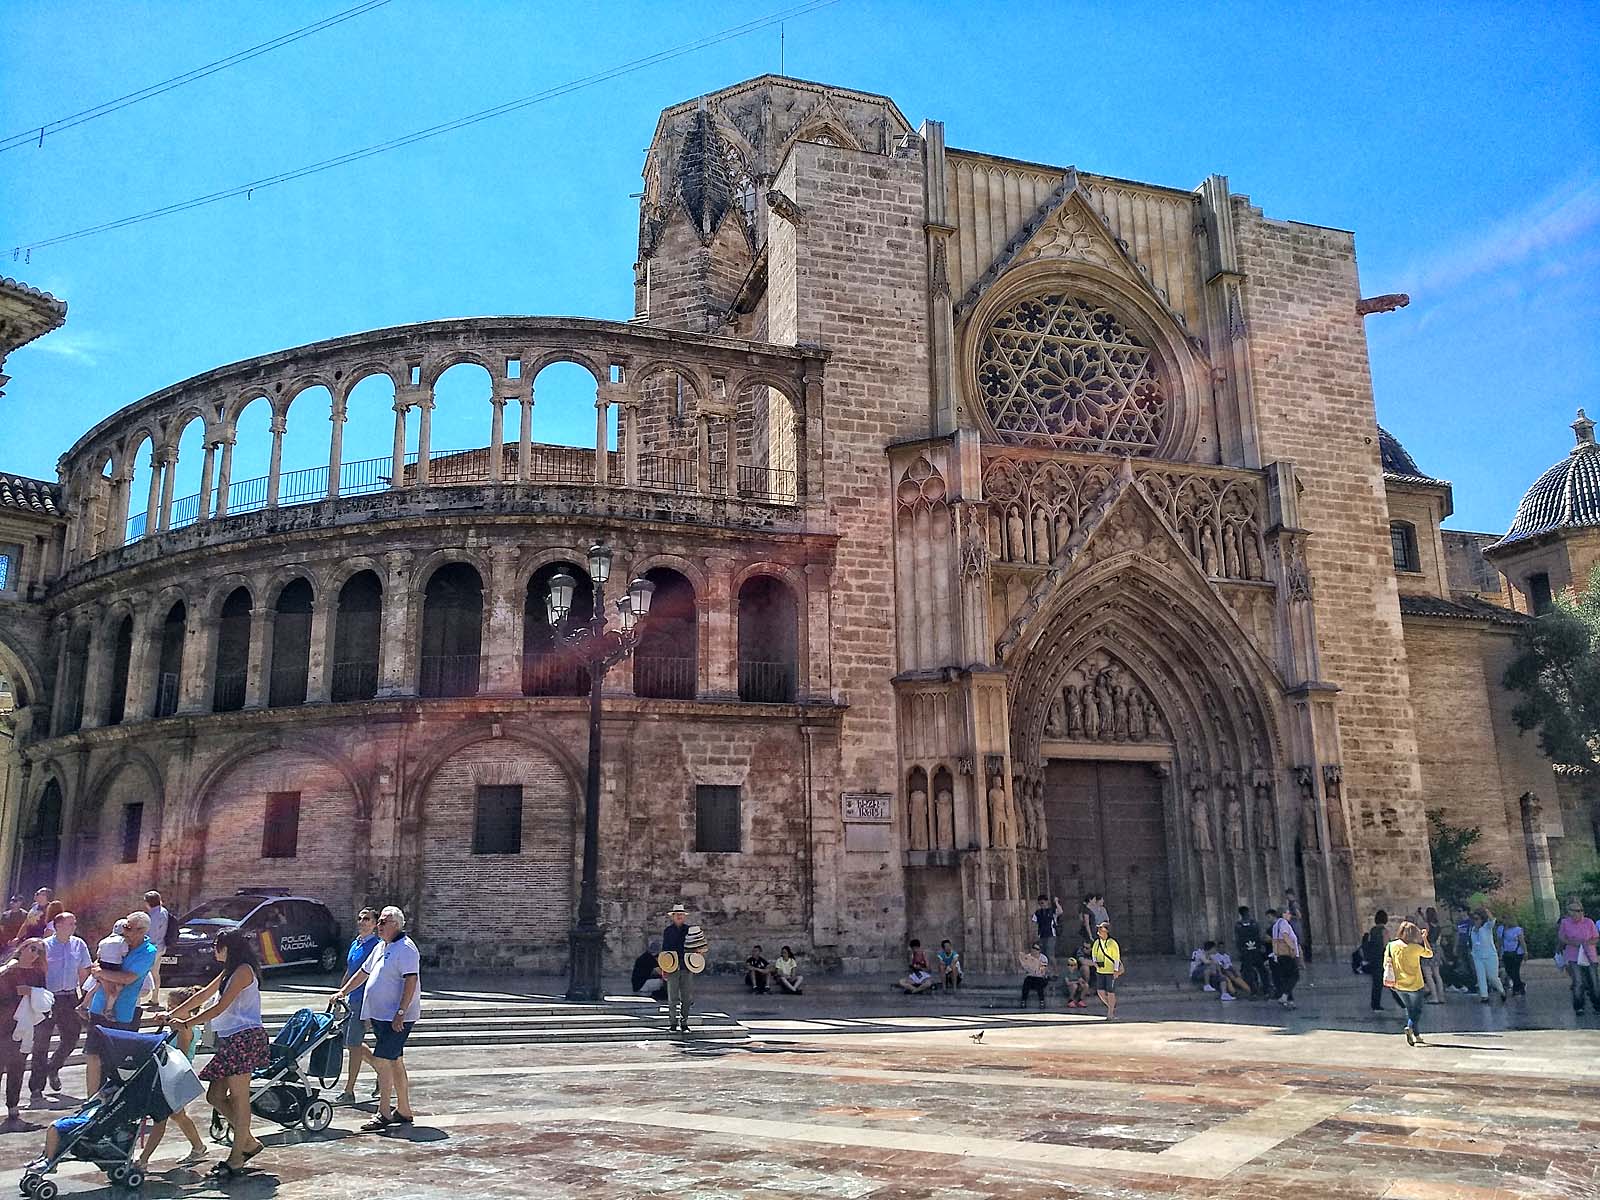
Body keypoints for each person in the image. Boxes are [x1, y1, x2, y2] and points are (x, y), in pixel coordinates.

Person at [168, 927, 267, 1178]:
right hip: (230, 1040)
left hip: (245, 1038)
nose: (214, 950)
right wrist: (172, 1014)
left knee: (239, 1097)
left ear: (229, 948)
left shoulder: (244, 971)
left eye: (217, 945)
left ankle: (236, 1157)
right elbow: (204, 994)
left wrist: (188, 1023)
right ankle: (249, 1142)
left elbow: (221, 1006)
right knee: (215, 1096)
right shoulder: (229, 971)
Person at [332, 905, 420, 1131]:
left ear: (396, 925)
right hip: (380, 1015)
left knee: (383, 1062)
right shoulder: (381, 946)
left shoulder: (407, 949)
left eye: (383, 922)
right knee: (395, 1062)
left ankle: (383, 1112)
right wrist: (344, 992)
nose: (378, 926)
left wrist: (401, 1012)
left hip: (396, 1017)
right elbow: (363, 972)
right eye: (379, 921)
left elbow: (410, 982)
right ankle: (404, 1109)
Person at [134, 986, 208, 1171]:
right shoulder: (177, 1025)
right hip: (169, 1076)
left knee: (161, 1118)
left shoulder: (186, 1028)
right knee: (178, 1116)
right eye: (169, 1006)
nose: (170, 1010)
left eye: (174, 1006)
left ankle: (143, 1160)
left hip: (175, 1077)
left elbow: (181, 1054)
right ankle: (198, 1146)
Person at [84, 910, 156, 1095]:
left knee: (117, 1060)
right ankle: (90, 1101)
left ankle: (112, 1100)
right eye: (124, 926)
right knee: (93, 1054)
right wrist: (98, 971)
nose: (125, 931)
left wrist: (100, 973)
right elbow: (96, 963)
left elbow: (128, 978)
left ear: (141, 931)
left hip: (123, 1012)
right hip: (99, 1006)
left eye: (129, 928)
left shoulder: (148, 951)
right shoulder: (117, 942)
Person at [27, 911, 90, 1103]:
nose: (74, 927)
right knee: (41, 1042)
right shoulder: (44, 946)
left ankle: (53, 1067)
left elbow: (83, 972)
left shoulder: (79, 944)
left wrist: (85, 999)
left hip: (70, 996)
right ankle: (36, 1087)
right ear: (58, 926)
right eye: (70, 924)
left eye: (74, 923)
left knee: (72, 1037)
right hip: (48, 997)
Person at [335, 908, 381, 1103]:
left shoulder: (376, 946)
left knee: (353, 1045)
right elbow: (351, 971)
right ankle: (382, 1070)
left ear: (375, 924)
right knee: (351, 1042)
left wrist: (371, 1009)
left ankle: (349, 1090)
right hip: (351, 999)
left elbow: (372, 976)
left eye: (367, 919)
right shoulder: (356, 943)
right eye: (360, 918)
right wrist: (340, 992)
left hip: (364, 1001)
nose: (362, 922)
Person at [0, 939, 46, 1132]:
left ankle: (13, 1109)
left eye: (39, 952)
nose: (35, 953)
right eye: (32, 948)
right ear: (23, 948)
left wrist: (31, 993)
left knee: (17, 1069)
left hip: (23, 1026)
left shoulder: (37, 973)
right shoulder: (8, 970)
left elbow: (44, 997)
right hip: (3, 1025)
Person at [1384, 920, 1434, 1047]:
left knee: (1410, 1009)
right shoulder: (1415, 948)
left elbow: (1385, 963)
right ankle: (1410, 1027)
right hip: (1415, 985)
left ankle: (1416, 1035)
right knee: (1416, 1010)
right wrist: (1425, 939)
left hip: (1398, 985)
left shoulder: (1391, 945)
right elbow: (1429, 954)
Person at [658, 904, 699, 1031]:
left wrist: (696, 962)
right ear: (673, 917)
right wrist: (664, 968)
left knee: (686, 997)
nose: (679, 916)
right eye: (677, 915)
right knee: (672, 997)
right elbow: (665, 950)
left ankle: (684, 1021)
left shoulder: (689, 930)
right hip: (672, 966)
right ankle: (673, 1022)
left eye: (681, 914)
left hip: (686, 966)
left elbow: (695, 948)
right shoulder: (668, 931)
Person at [1557, 896, 1600, 1015]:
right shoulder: (1565, 923)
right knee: (1578, 982)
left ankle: (1597, 1005)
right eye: (1575, 911)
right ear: (1569, 912)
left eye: (1580, 910)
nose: (1578, 913)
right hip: (1573, 956)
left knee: (1594, 981)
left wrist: (1587, 943)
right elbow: (1562, 937)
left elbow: (1596, 937)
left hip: (1590, 955)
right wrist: (1572, 943)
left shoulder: (1589, 922)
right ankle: (1579, 1006)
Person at [1468, 908, 1505, 1004]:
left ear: (1481, 919)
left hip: (1490, 955)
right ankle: (1484, 996)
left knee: (1492, 977)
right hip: (1477, 956)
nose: (1475, 921)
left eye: (1477, 919)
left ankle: (1501, 990)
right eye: (1474, 919)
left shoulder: (1486, 928)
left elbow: (1492, 920)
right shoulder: (1472, 930)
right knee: (1481, 976)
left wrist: (1486, 910)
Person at [1234, 906, 1270, 998]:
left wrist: (1240, 951)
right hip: (1255, 950)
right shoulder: (1254, 923)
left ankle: (1255, 991)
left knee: (1250, 972)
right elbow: (1259, 935)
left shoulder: (1238, 925)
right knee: (1261, 971)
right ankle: (1265, 990)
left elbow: (1237, 940)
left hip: (1246, 951)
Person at [1269, 907, 1301, 1009]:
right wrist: (1292, 948)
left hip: (1279, 955)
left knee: (1287, 978)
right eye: (1288, 913)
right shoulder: (1283, 923)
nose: (1290, 915)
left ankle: (1290, 1002)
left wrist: (1275, 954)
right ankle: (1284, 996)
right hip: (1287, 954)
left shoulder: (1275, 925)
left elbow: (1274, 940)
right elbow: (1285, 935)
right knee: (1295, 976)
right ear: (1283, 914)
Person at [1090, 921, 1122, 1019]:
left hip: (1110, 971)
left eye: (1101, 928)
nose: (1099, 931)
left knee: (1110, 991)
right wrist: (1095, 963)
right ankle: (1111, 1006)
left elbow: (1116, 958)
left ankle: (1110, 1013)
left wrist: (1116, 970)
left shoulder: (1112, 943)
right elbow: (1094, 954)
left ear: (1107, 931)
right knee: (1100, 991)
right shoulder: (1097, 942)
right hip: (1100, 971)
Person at [1361, 910, 1391, 1013]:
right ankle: (1402, 1003)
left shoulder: (1372, 930)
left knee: (1376, 983)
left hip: (1374, 959)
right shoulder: (1384, 931)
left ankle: (1375, 1005)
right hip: (1382, 959)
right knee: (1391, 982)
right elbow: (1386, 946)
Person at [144, 891, 170, 1000]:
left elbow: (153, 933)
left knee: (145, 972)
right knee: (155, 973)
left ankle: (143, 997)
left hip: (153, 947)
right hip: (161, 946)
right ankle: (155, 998)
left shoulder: (154, 914)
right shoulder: (164, 911)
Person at [1420, 907, 1445, 1003]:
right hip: (1436, 948)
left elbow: (1423, 937)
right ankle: (1441, 996)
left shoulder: (1426, 925)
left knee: (1427, 974)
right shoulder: (1438, 926)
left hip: (1428, 948)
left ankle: (1434, 996)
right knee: (1437, 974)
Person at [1500, 914, 1527, 997]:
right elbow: (1499, 941)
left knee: (1515, 971)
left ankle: (1516, 988)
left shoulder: (1517, 930)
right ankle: (1520, 985)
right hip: (1506, 952)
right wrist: (1499, 952)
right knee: (1509, 970)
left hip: (1517, 952)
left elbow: (1522, 941)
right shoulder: (1501, 929)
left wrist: (1525, 952)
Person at [1019, 942, 1051, 1007]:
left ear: (1040, 950)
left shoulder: (1043, 958)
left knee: (1039, 982)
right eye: (1033, 948)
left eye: (1037, 949)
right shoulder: (1028, 957)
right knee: (1027, 981)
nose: (1034, 950)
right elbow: (1025, 969)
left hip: (1040, 977)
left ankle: (1042, 1001)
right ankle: (1023, 1000)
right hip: (1031, 976)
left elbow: (1042, 971)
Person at [1033, 895, 1063, 963]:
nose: (1041, 905)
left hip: (1051, 935)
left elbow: (1060, 911)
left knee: (1050, 955)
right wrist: (1035, 935)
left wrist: (1056, 902)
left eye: (1042, 903)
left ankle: (1055, 971)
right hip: (1041, 935)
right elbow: (1034, 924)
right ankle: (1046, 971)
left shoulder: (1052, 911)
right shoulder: (1038, 913)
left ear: (1047, 902)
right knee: (1043, 955)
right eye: (1040, 903)